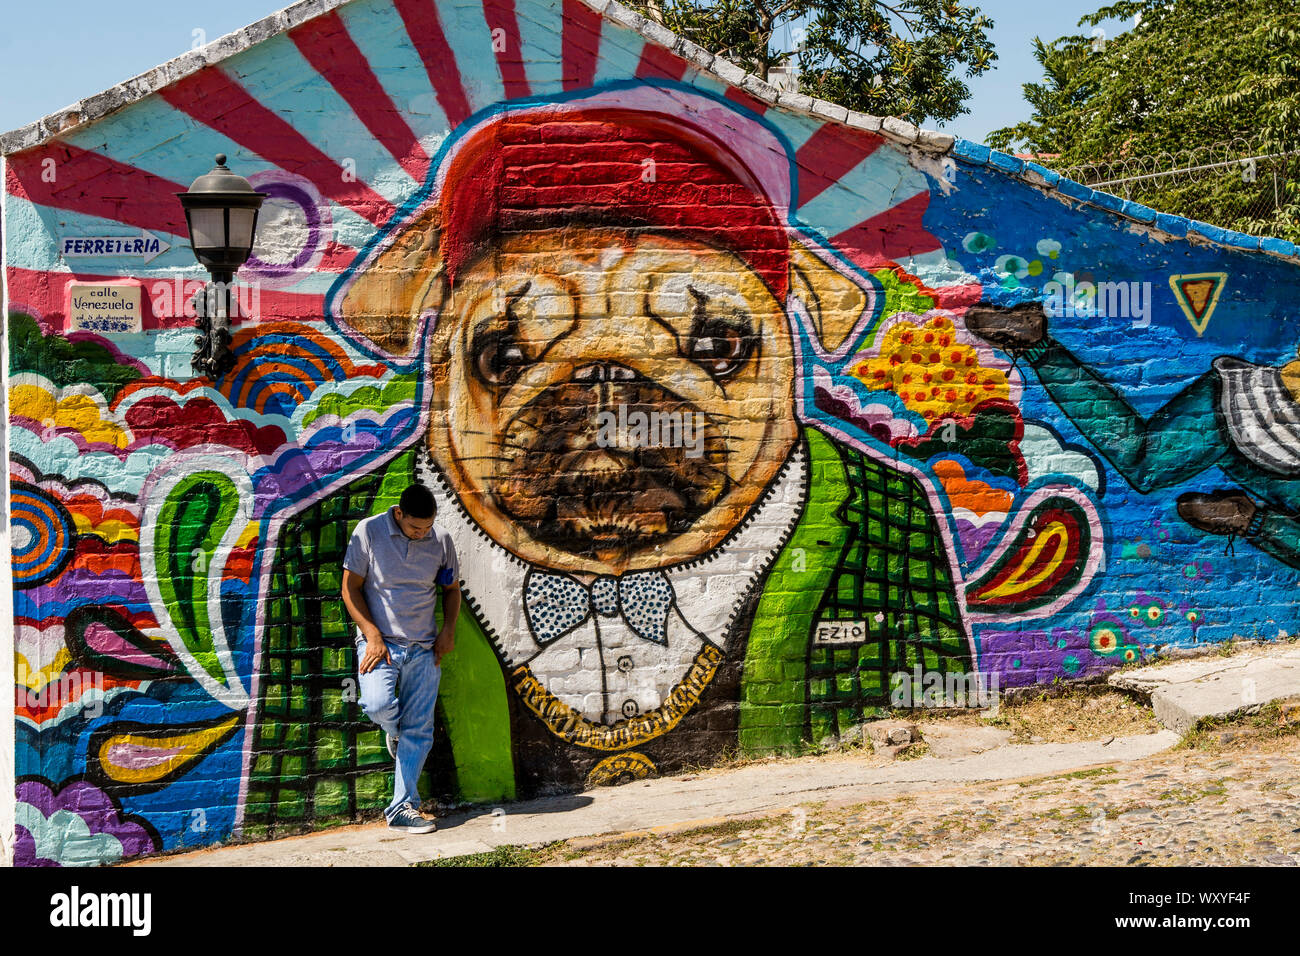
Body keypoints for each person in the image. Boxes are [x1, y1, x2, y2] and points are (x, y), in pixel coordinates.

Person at [965, 300, 1300, 568]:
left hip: (1270, 427)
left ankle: (1248, 518)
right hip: (1262, 412)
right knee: (1145, 463)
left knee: (1145, 462)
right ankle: (1038, 344)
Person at [341, 483, 461, 832]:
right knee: (376, 705)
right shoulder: (368, 532)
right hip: (381, 645)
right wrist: (372, 635)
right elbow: (350, 588)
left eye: (427, 527)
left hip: (425, 648)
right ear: (398, 513)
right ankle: (395, 732)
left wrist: (448, 630)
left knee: (420, 729)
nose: (421, 534)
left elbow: (451, 590)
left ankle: (401, 808)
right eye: (414, 527)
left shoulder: (441, 540)